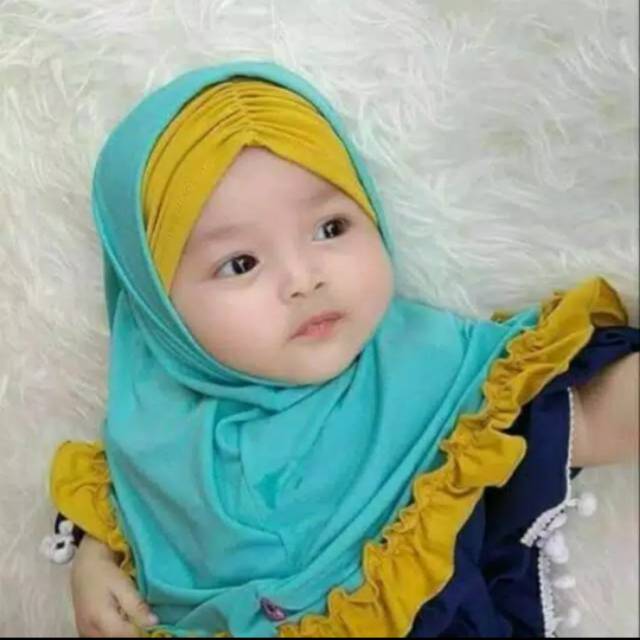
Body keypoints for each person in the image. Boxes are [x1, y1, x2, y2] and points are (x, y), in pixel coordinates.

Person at [41, 61, 639, 638]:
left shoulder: (430, 370)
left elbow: (576, 417)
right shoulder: (153, 433)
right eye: (240, 263)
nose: (304, 279)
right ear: (156, 311)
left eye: (331, 228)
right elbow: (124, 508)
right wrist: (95, 562)